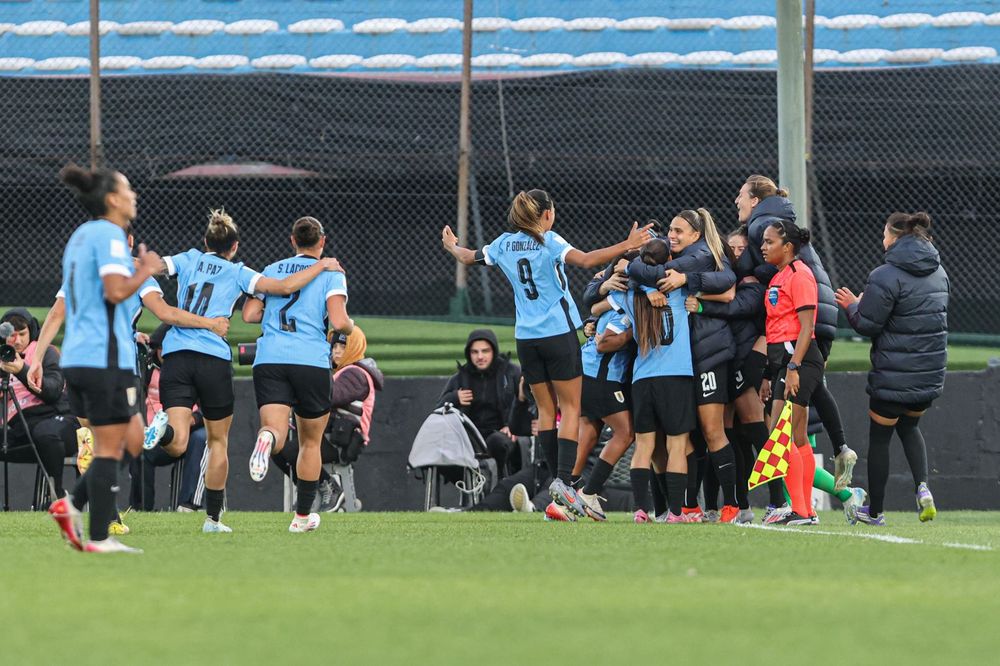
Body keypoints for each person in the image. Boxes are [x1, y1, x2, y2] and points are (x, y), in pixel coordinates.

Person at [441, 189, 651, 521]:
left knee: (546, 411)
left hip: (526, 338)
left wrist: (452, 246)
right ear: (547, 215)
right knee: (571, 407)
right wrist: (627, 244)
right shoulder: (548, 241)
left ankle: (557, 484)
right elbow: (586, 260)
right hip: (557, 334)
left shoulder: (503, 244)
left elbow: (468, 257)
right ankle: (564, 482)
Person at [142, 209, 342, 533]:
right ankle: (212, 520)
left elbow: (153, 266)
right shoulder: (239, 272)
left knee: (176, 442)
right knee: (217, 442)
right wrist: (321, 265)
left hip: (176, 355)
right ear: (234, 247)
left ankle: (160, 429)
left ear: (205, 241)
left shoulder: (188, 258)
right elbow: (284, 286)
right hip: (213, 358)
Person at [41, 164, 160, 553]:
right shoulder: (109, 235)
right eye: (127, 190)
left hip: (81, 356)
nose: (133, 195)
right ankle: (96, 535)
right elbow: (114, 291)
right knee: (112, 446)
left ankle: (73, 506)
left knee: (134, 438)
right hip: (103, 356)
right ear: (112, 199)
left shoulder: (81, 235)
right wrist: (144, 270)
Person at [736, 175, 857, 490]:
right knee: (808, 399)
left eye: (741, 195)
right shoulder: (781, 219)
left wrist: (745, 276)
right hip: (820, 316)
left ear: (755, 200)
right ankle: (841, 453)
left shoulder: (763, 225)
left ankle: (800, 503)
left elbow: (774, 267)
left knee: (785, 428)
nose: (737, 201)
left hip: (801, 324)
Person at [627, 209, 741, 523]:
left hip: (701, 357)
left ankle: (731, 504)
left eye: (679, 231)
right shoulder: (673, 278)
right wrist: (653, 283)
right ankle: (682, 508)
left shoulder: (701, 256)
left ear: (696, 235)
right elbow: (636, 271)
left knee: (708, 431)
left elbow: (729, 284)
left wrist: (655, 280)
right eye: (670, 231)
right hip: (679, 368)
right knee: (681, 441)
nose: (672, 236)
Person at [836, 212, 948, 526]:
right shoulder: (939, 272)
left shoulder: (884, 275)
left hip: (893, 374)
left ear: (895, 238)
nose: (882, 240)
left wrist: (852, 305)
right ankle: (922, 486)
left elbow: (867, 324)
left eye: (884, 234)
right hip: (928, 373)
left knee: (880, 439)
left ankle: (875, 512)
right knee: (910, 427)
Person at [242, 216, 353, 532]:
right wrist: (350, 327)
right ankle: (302, 517)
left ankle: (266, 438)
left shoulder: (271, 269)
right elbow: (338, 320)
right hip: (310, 361)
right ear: (323, 241)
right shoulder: (331, 273)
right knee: (310, 443)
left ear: (292, 240)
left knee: (276, 432)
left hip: (270, 358)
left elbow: (249, 314)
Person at [607, 238, 697, 523]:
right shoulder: (678, 287)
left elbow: (599, 302)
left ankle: (641, 510)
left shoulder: (631, 295)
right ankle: (676, 513)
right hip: (676, 376)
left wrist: (642, 286)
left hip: (643, 379)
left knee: (644, 446)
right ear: (668, 260)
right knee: (676, 445)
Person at [685, 226, 771, 522]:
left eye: (741, 249)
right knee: (721, 435)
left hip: (744, 364)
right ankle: (718, 505)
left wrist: (701, 304)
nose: (735, 254)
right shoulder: (723, 280)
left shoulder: (752, 285)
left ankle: (776, 500)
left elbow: (736, 306)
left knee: (753, 434)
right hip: (724, 362)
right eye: (731, 249)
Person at [272, 327, 383, 513]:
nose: (336, 351)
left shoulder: (356, 374)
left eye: (343, 346)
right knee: (277, 449)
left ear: (354, 347)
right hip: (329, 436)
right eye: (334, 346)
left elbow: (328, 397)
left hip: (341, 442)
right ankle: (313, 489)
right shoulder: (343, 372)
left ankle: (330, 488)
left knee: (288, 450)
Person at [759, 220, 825, 526]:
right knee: (795, 436)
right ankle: (806, 510)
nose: (763, 247)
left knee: (781, 434)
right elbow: (775, 327)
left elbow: (807, 327)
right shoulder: (779, 276)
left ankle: (800, 509)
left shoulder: (800, 275)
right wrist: (767, 374)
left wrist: (794, 367)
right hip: (783, 363)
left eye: (769, 241)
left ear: (787, 247)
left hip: (800, 361)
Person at [0, 309, 78, 501]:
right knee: (38, 433)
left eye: (22, 334)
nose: (17, 341)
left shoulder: (46, 352)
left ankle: (56, 494)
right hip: (20, 428)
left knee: (45, 433)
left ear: (31, 331)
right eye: (11, 335)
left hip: (57, 419)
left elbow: (53, 392)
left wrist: (21, 371)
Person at [139, 324, 209, 512]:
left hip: (189, 429)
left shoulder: (194, 366)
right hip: (151, 432)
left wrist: (192, 419)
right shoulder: (146, 368)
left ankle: (188, 504)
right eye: (163, 348)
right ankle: (142, 509)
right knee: (138, 443)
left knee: (202, 438)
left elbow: (209, 405)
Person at [436, 329, 522, 479]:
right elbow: (438, 410)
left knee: (498, 442)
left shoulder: (511, 373)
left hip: (502, 434)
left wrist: (514, 425)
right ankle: (472, 485)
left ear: (494, 351)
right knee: (443, 451)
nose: (480, 356)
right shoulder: (460, 378)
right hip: (469, 436)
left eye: (485, 351)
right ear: (469, 354)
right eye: (475, 352)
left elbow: (527, 402)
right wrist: (454, 397)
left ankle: (500, 484)